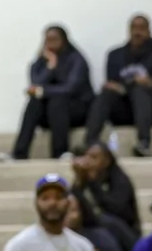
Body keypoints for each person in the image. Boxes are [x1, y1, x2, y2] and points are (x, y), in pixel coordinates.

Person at [84, 15, 152, 158]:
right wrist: (130, 85)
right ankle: (90, 143)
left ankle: (144, 143)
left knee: (140, 91)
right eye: (134, 28)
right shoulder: (115, 55)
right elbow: (113, 86)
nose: (137, 32)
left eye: (141, 28)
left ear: (149, 31)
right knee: (106, 93)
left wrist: (138, 84)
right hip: (125, 110)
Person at [8, 26, 93, 160]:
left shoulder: (76, 59)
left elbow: (70, 88)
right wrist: (50, 66)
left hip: (76, 110)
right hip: (50, 114)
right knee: (34, 103)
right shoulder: (40, 62)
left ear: (64, 40)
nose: (51, 43)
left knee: (57, 102)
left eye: (55, 39)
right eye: (48, 39)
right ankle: (19, 153)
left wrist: (44, 91)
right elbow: (35, 85)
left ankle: (60, 152)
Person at [71, 140, 140, 251]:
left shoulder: (120, 180)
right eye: (86, 156)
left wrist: (93, 183)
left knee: (104, 220)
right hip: (100, 234)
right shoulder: (86, 178)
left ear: (106, 161)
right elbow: (73, 203)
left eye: (94, 157)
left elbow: (116, 210)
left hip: (126, 236)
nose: (88, 161)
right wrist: (79, 180)